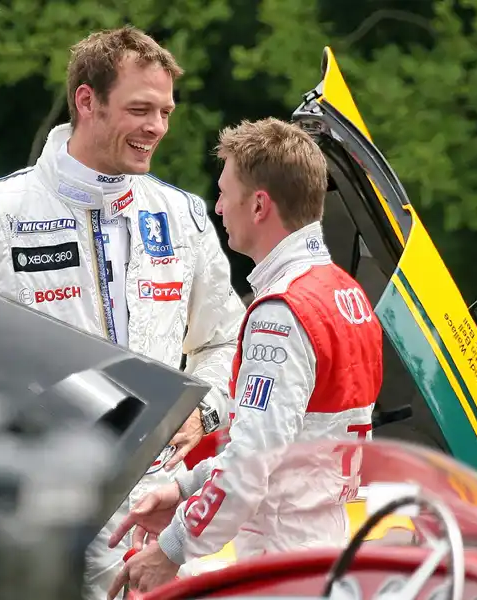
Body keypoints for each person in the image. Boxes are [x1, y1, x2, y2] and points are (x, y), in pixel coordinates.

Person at [0, 26, 245, 600]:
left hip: (159, 505)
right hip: (35, 506)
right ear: (86, 101)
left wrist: (205, 409)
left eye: (165, 111)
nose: (157, 127)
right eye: (140, 108)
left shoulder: (182, 216)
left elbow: (226, 339)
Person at [106, 117, 385, 596]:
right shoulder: (346, 292)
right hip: (325, 545)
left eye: (223, 193)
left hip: (280, 562)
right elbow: (284, 441)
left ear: (259, 205)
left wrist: (171, 550)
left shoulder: (283, 310)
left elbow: (252, 461)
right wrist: (185, 487)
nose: (217, 207)